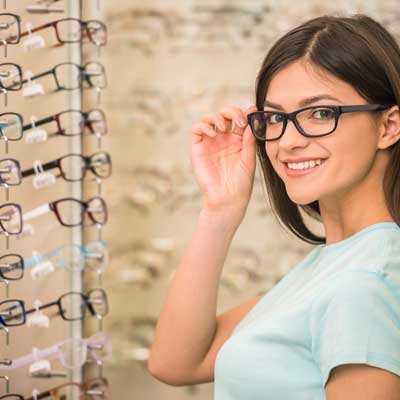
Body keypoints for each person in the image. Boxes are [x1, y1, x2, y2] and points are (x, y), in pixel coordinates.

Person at [148, 13, 400, 399]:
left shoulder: (364, 281)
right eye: (276, 118)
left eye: (321, 113)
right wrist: (220, 210)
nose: (288, 141)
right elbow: (177, 361)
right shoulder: (336, 263)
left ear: (388, 126)